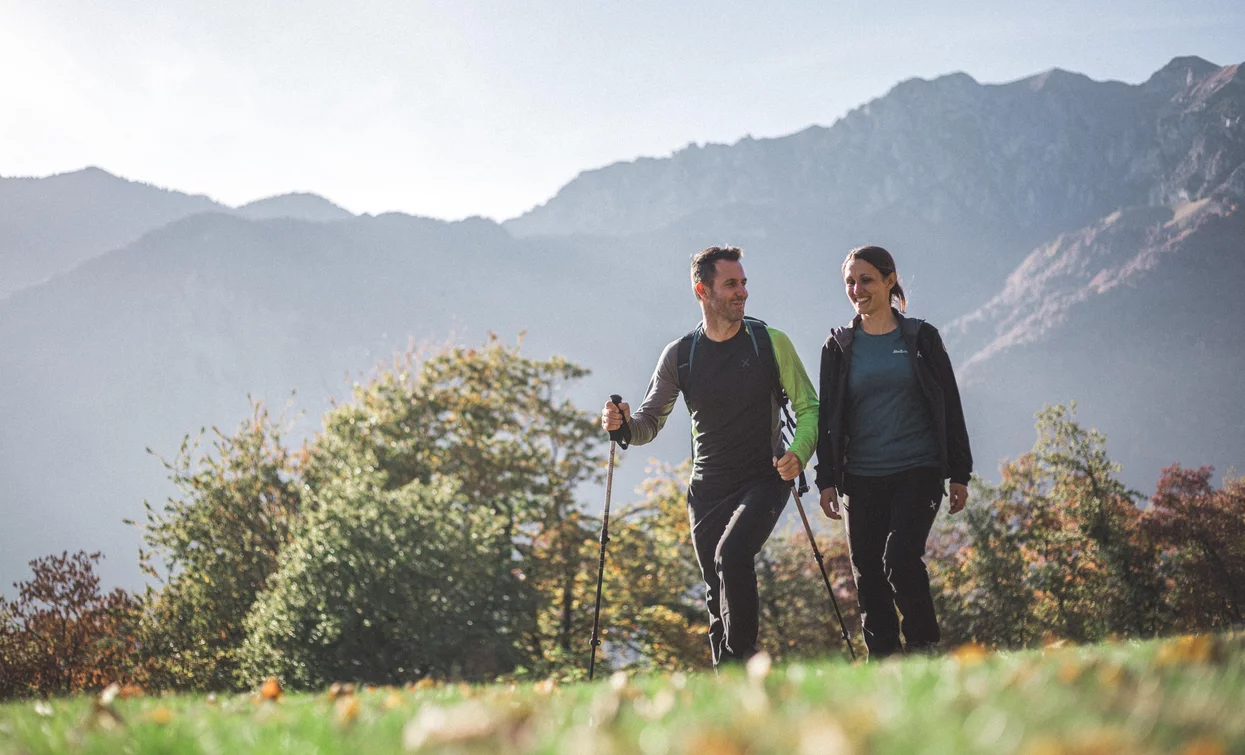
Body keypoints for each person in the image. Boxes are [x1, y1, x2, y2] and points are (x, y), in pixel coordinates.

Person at [601, 245, 818, 666]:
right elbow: (648, 422)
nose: (742, 292)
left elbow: (809, 406)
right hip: (707, 489)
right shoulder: (680, 356)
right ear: (702, 291)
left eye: (744, 283)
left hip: (765, 478)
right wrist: (622, 424)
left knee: (731, 557)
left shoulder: (770, 343)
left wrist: (799, 452)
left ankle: (745, 663)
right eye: (731, 284)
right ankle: (729, 682)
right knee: (717, 596)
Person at [814, 245, 972, 659]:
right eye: (850, 282)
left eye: (866, 279)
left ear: (889, 280)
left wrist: (960, 471)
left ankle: (921, 645)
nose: (857, 289)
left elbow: (949, 403)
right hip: (861, 475)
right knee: (867, 571)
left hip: (918, 468)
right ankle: (884, 657)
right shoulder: (839, 346)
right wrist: (826, 479)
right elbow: (829, 418)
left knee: (900, 558)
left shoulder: (921, 338)